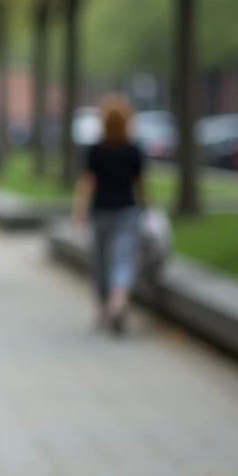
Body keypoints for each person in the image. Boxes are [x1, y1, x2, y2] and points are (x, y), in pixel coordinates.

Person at [73, 95, 147, 335]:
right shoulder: (134, 150)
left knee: (101, 260)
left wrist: (80, 209)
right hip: (126, 209)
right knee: (123, 257)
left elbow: (87, 182)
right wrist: (145, 206)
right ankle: (119, 298)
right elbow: (139, 183)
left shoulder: (95, 150)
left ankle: (104, 308)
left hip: (101, 210)